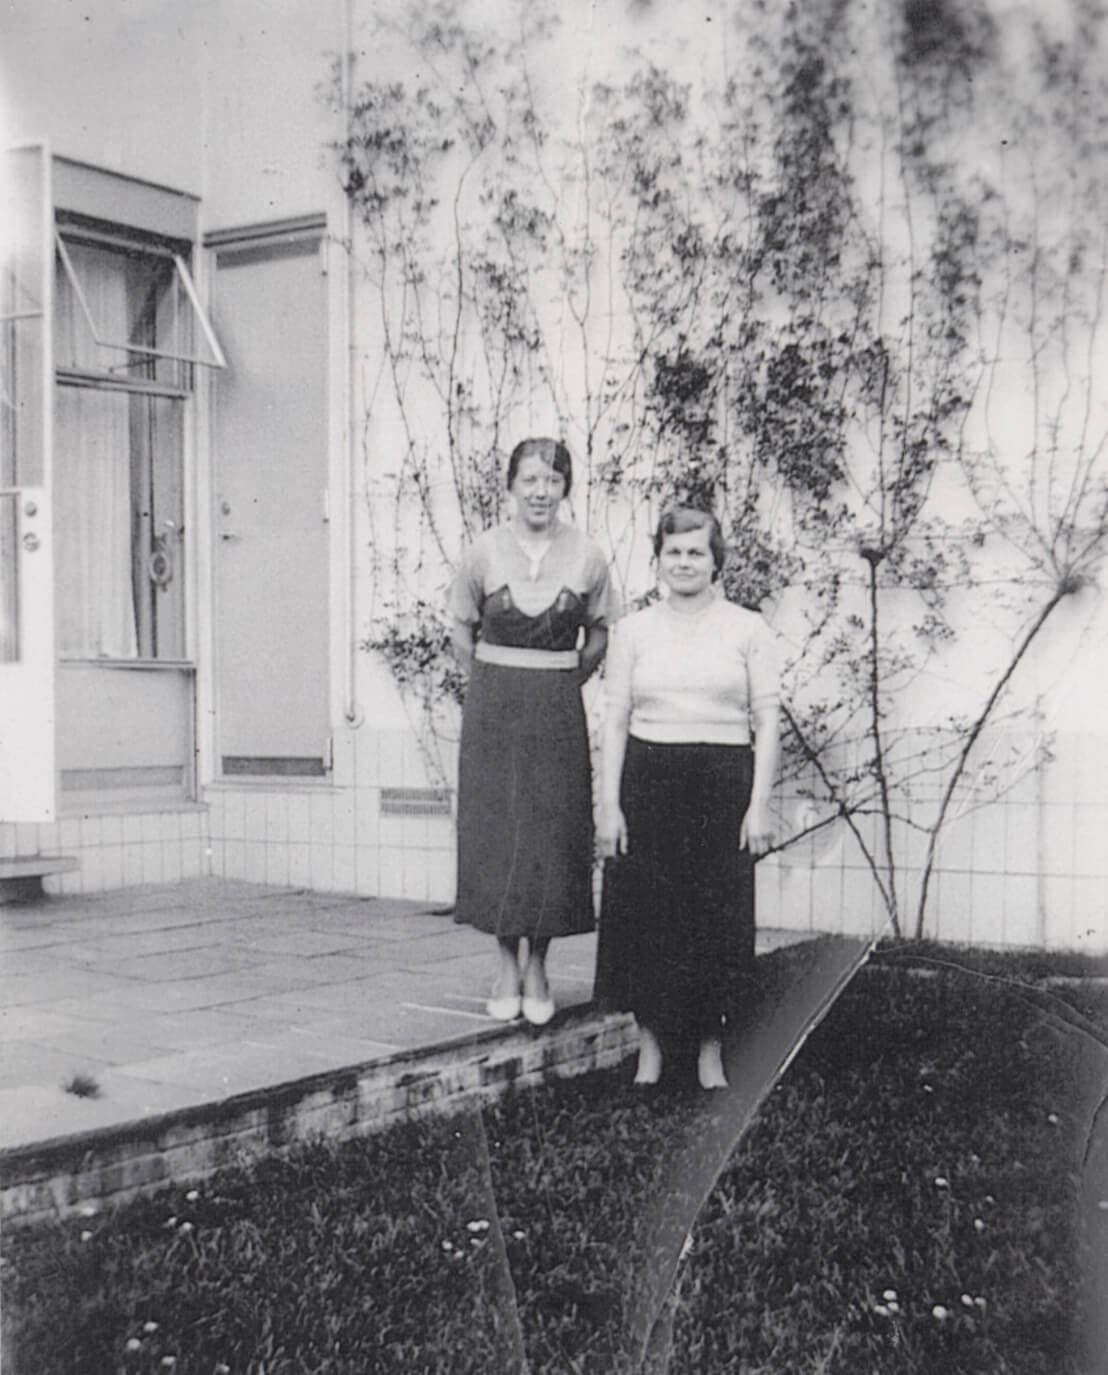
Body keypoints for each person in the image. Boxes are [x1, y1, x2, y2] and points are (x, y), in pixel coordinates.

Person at [595, 505, 781, 1090]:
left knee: (716, 921)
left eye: (695, 551)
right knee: (647, 919)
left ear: (716, 561)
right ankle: (649, 1048)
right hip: (648, 783)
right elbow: (615, 718)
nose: (684, 562)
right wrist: (609, 804)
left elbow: (768, 720)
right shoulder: (633, 631)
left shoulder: (747, 628)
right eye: (673, 552)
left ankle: (709, 1051)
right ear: (658, 561)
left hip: (722, 786)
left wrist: (758, 804)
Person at [448, 437, 619, 1026]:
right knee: (498, 831)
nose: (540, 491)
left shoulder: (588, 556)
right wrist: (494, 682)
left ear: (565, 487)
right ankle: (504, 966)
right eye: (529, 480)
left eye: (552, 480)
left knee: (551, 832)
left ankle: (540, 967)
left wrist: (563, 678)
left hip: (555, 709)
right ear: (511, 486)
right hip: (495, 709)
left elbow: (598, 633)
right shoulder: (483, 552)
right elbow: (462, 630)